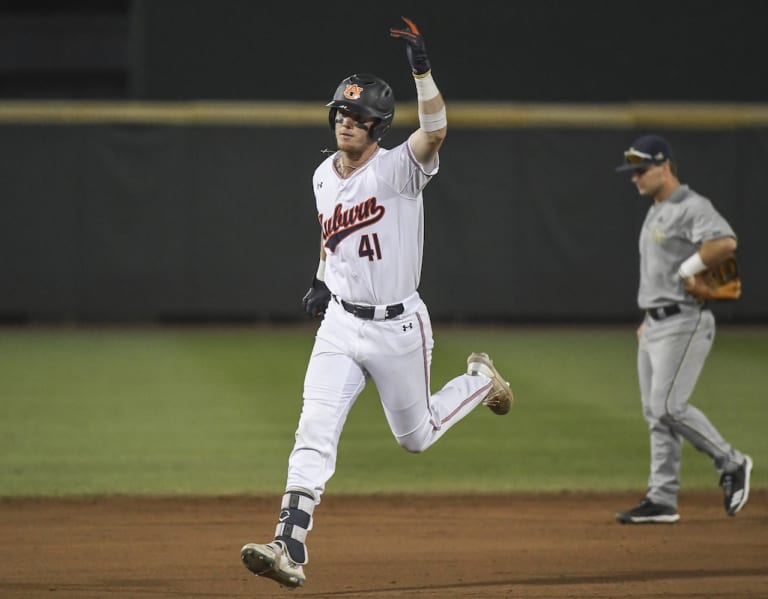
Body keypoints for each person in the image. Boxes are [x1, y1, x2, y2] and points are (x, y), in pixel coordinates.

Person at [239, 16, 514, 588]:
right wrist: (320, 276)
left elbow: (435, 130)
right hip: (341, 323)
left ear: (378, 126)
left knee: (414, 438)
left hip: (397, 327)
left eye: (359, 117)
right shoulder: (321, 175)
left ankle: (481, 381)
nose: (347, 121)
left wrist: (421, 69)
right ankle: (288, 544)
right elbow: (328, 232)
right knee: (314, 426)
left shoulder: (399, 170)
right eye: (341, 112)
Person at [613, 134, 753, 524]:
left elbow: (724, 242)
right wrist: (647, 318)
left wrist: (689, 270)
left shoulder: (691, 205)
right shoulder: (657, 208)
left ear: (665, 167)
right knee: (655, 414)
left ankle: (732, 462)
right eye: (633, 171)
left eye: (641, 170)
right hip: (655, 322)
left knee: (670, 407)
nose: (635, 178)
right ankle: (662, 498)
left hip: (684, 320)